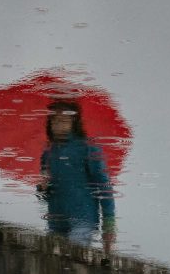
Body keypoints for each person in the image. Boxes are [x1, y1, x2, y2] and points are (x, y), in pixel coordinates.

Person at [37, 100, 116, 256]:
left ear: (74, 121)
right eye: (54, 120)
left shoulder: (88, 149)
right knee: (52, 264)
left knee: (73, 257)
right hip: (56, 221)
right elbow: (45, 196)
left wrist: (109, 224)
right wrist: (42, 188)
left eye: (63, 119)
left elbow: (104, 186)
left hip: (83, 219)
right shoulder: (48, 155)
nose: (58, 124)